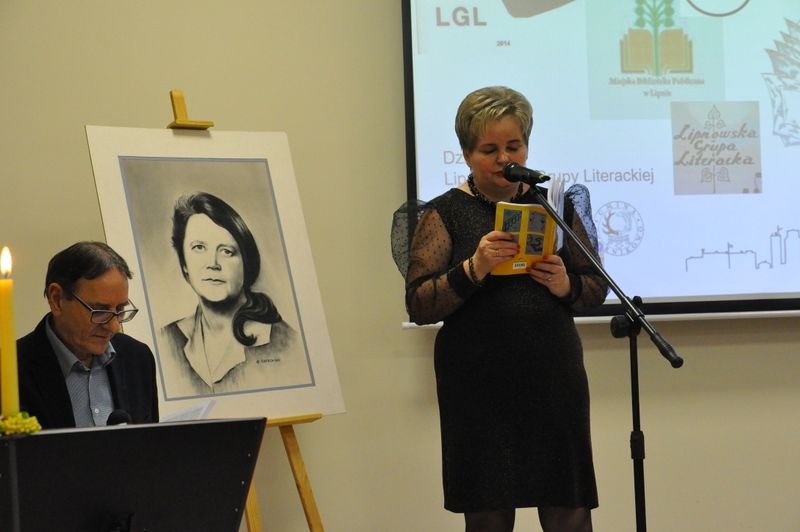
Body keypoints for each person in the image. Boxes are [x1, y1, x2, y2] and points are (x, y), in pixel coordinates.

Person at [402, 87, 609, 532]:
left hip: (552, 374)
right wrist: (474, 268)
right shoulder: (443, 213)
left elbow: (596, 288)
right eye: (489, 150)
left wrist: (565, 284)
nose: (503, 159)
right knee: (488, 513)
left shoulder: (552, 204)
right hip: (477, 382)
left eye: (513, 147)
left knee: (568, 507)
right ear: (466, 154)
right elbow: (419, 303)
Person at [158, 191, 306, 397]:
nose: (213, 263)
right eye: (199, 247)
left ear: (246, 263)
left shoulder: (287, 344)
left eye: (227, 251)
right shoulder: (165, 339)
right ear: (184, 263)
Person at [17, 241, 159, 429]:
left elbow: (150, 442)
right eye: (100, 311)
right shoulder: (12, 369)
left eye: (120, 310)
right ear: (57, 299)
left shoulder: (138, 358)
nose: (114, 327)